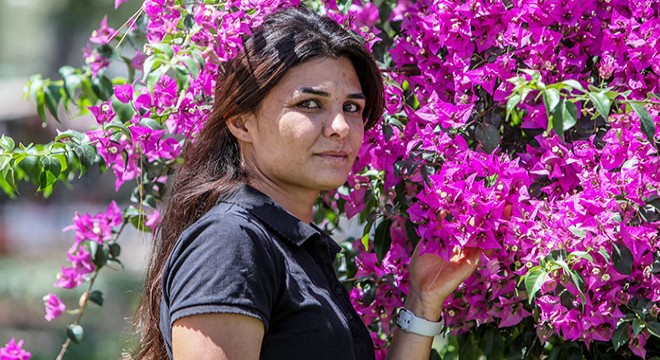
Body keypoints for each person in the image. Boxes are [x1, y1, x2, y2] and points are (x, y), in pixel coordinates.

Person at [136, 6, 481, 360]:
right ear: (241, 123)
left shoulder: (289, 246)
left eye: (351, 107)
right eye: (310, 103)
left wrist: (422, 301)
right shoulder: (230, 244)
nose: (341, 128)